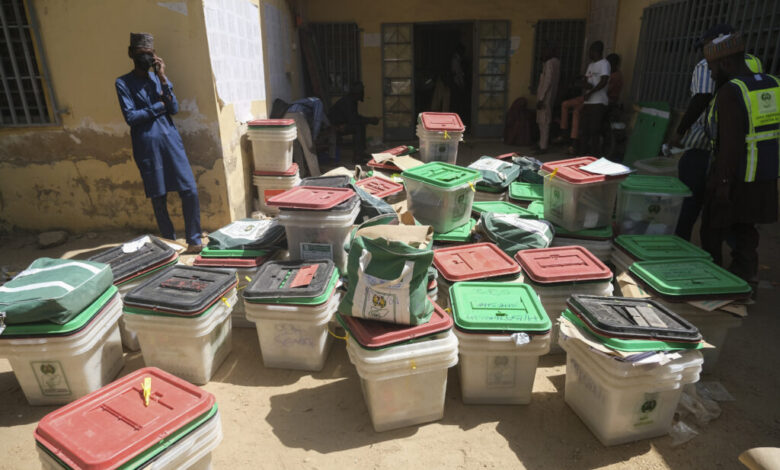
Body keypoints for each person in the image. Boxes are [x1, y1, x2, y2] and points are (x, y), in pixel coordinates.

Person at [671, 24, 764, 240]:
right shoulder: (753, 62)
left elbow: (701, 98)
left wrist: (679, 132)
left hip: (707, 147)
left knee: (695, 203)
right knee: (736, 215)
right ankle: (740, 262)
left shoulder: (711, 64)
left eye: (705, 44)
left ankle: (680, 243)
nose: (704, 51)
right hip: (747, 150)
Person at [700, 32, 778, 286]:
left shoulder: (731, 91)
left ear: (724, 64)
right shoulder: (773, 84)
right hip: (765, 173)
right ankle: (747, 279)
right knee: (746, 231)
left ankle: (714, 281)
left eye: (711, 67)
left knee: (712, 228)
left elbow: (730, 144)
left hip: (736, 175)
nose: (711, 74)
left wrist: (722, 183)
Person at [116, 33, 203, 252]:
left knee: (189, 190)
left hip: (171, 142)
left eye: (148, 54)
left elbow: (173, 108)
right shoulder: (123, 83)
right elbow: (131, 117)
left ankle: (194, 240)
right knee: (158, 196)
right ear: (131, 54)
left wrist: (163, 78)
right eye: (140, 54)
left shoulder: (158, 80)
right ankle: (169, 242)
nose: (145, 58)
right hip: (147, 146)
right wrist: (158, 107)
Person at [328, 81, 379, 162]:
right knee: (358, 127)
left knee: (361, 125)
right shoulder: (348, 101)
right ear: (356, 93)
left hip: (342, 124)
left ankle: (361, 152)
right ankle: (358, 157)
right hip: (336, 126)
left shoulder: (352, 100)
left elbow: (354, 117)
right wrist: (369, 120)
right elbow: (353, 120)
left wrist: (368, 120)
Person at [579, 41, 611, 155]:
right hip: (588, 102)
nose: (589, 53)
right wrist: (583, 83)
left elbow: (604, 81)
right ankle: (582, 155)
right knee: (584, 130)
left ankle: (595, 155)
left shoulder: (604, 64)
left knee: (594, 130)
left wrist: (591, 92)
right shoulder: (591, 65)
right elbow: (587, 80)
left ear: (596, 51)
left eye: (591, 51)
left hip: (599, 102)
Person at [535, 45, 561, 155]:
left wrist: (541, 98)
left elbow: (547, 82)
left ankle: (543, 146)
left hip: (545, 97)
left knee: (543, 122)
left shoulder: (550, 63)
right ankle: (542, 144)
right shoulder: (556, 62)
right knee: (544, 121)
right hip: (549, 96)